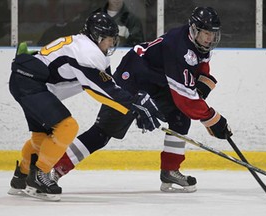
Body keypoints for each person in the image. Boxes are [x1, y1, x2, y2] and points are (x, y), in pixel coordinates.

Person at [50, 6, 232, 193]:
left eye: (213, 34)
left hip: (157, 82)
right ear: (194, 29)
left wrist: (201, 85)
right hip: (133, 77)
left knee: (180, 117)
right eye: (206, 33)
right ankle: (55, 169)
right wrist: (213, 119)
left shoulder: (199, 43)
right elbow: (185, 98)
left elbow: (201, 66)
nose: (210, 38)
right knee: (102, 133)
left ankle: (170, 170)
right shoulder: (178, 47)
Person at [8, 12, 162, 201]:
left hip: (28, 81)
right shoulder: (86, 52)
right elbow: (100, 90)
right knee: (67, 126)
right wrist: (134, 104)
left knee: (42, 137)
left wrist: (131, 107)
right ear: (97, 37)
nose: (112, 44)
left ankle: (20, 176)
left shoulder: (88, 47)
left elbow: (110, 86)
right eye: (109, 40)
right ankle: (39, 175)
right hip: (30, 84)